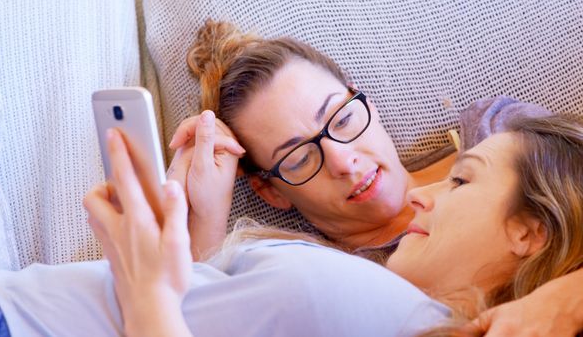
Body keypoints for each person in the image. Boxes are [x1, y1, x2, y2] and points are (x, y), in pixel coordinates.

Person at [166, 20, 583, 335]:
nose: (343, 161)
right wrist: (208, 214)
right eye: (298, 157)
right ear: (271, 192)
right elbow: (206, 313)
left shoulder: (497, 134)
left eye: (342, 118)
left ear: (365, 99)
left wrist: (565, 299)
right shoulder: (338, 280)